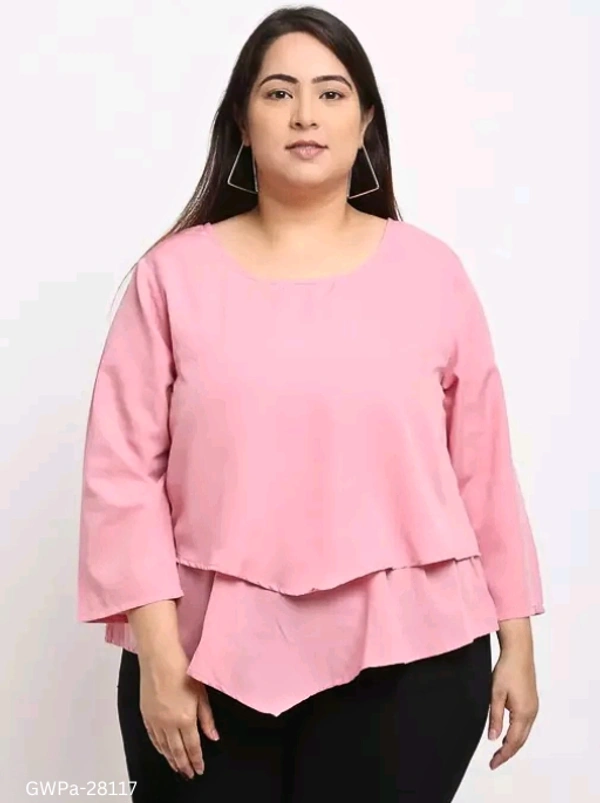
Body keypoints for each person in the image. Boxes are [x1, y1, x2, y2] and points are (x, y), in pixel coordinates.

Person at [77, 6, 544, 802]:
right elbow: (121, 474)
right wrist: (157, 653)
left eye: (331, 93)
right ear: (243, 120)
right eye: (279, 92)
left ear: (366, 122)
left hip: (416, 656)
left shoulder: (432, 274)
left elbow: (485, 469)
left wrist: (518, 640)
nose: (304, 114)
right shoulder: (170, 279)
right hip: (203, 662)